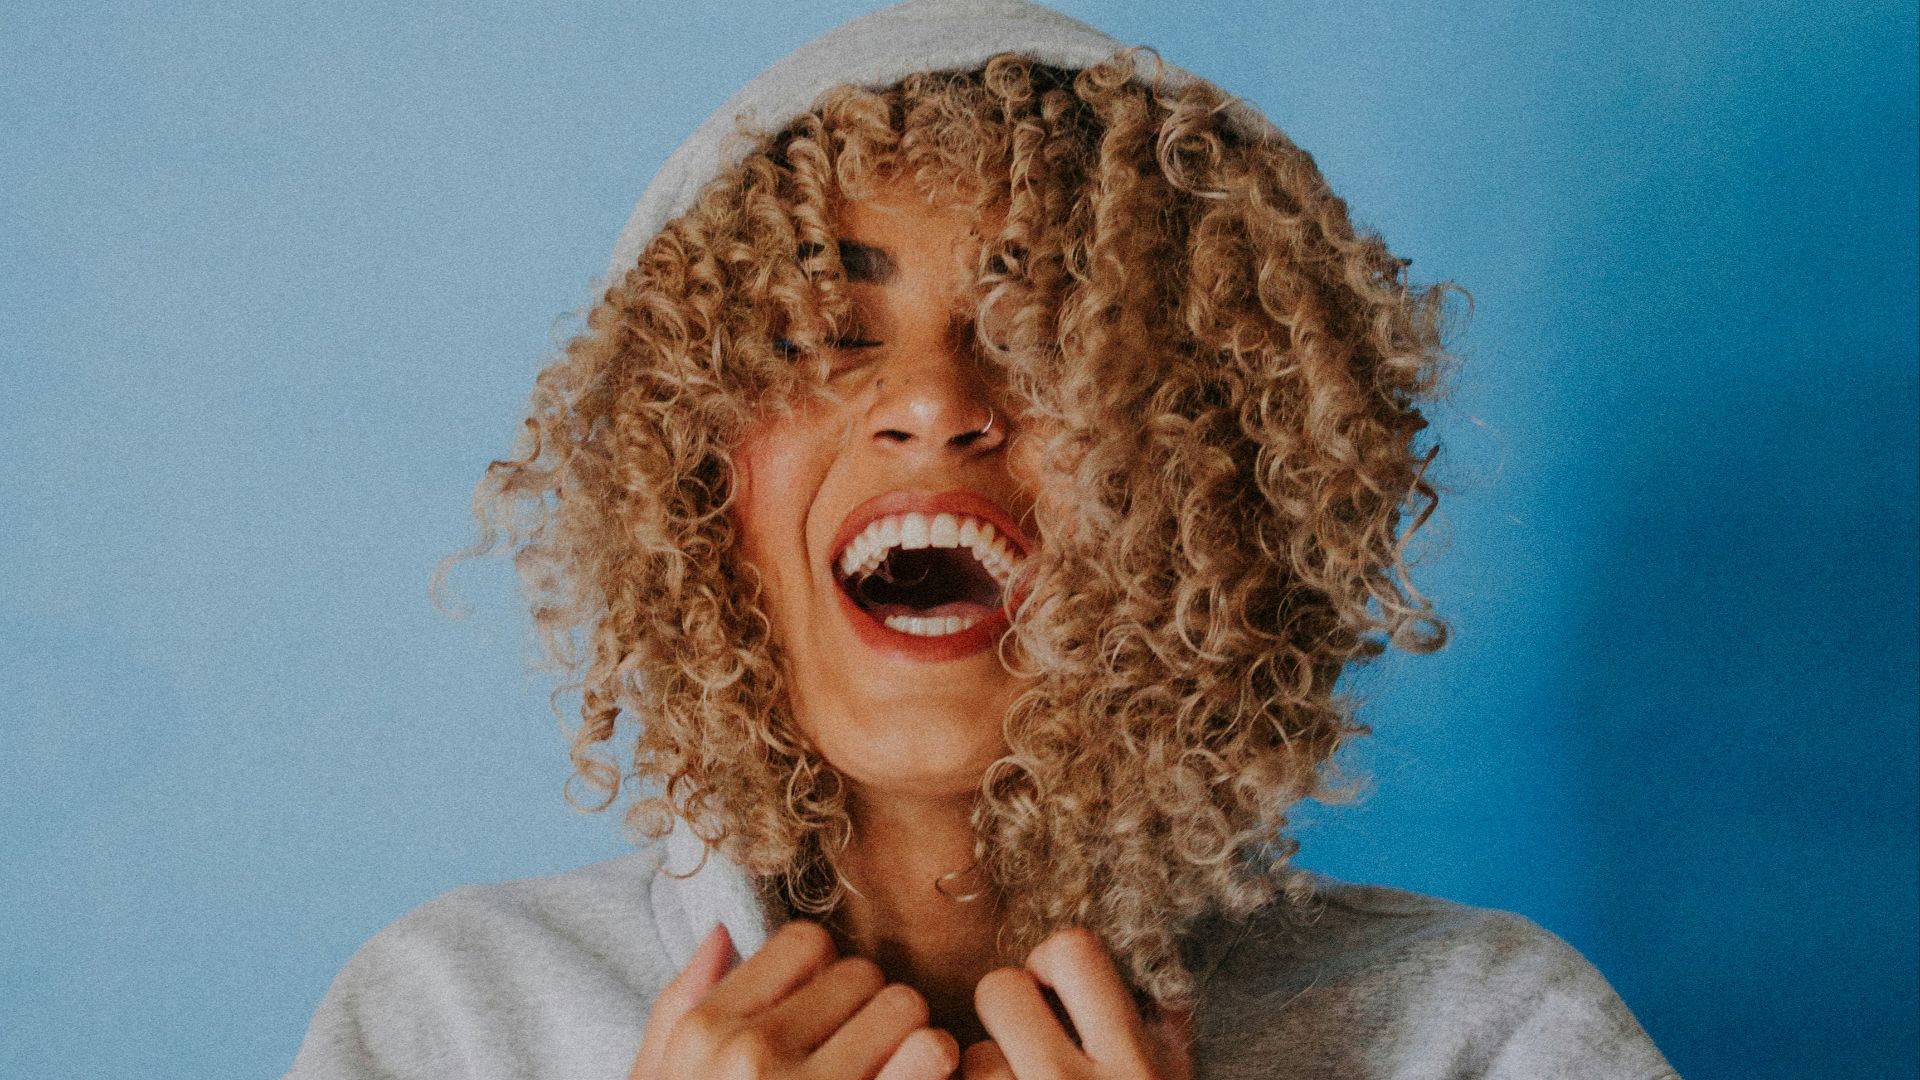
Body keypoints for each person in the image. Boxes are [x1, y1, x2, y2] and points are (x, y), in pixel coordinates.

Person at [288, 1, 1681, 1077]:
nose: (934, 407)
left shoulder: (1484, 1036)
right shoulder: (452, 1025)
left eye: (1045, 341)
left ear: (1222, 471)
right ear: (684, 479)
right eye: (822, 337)